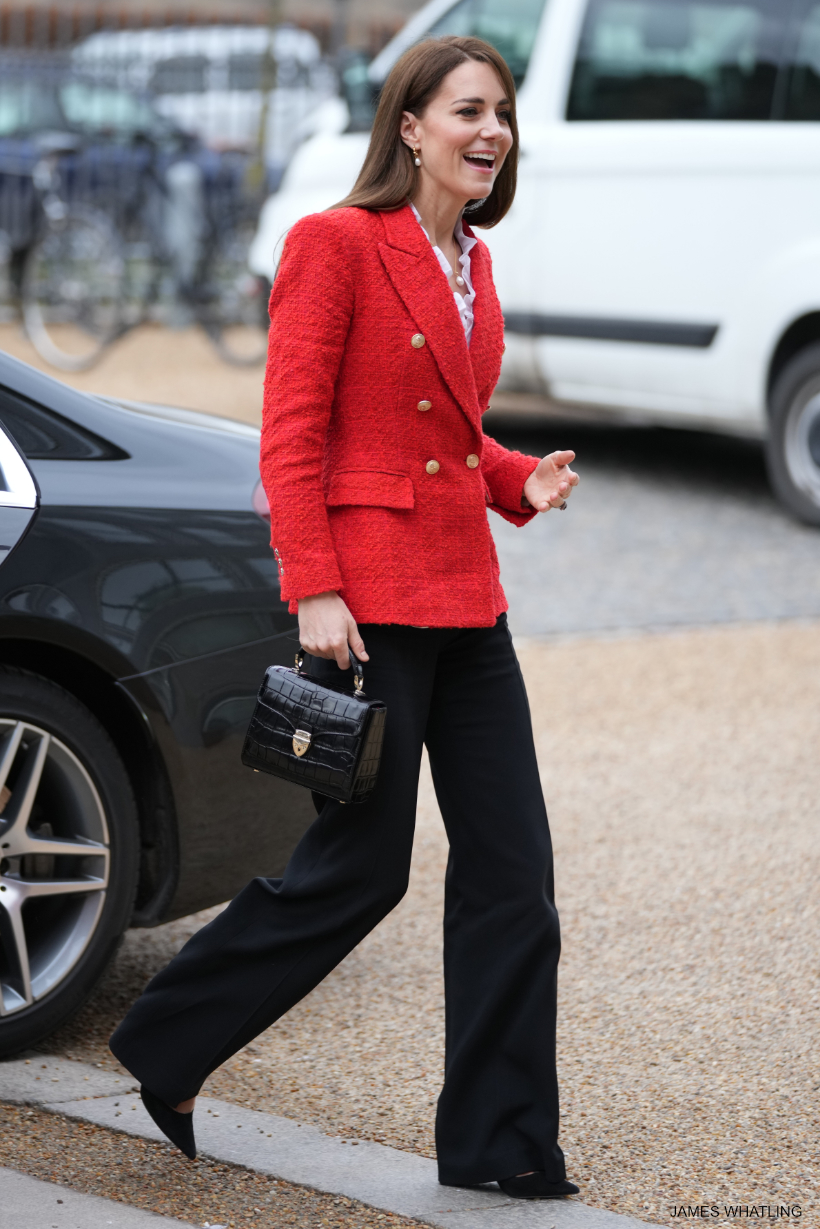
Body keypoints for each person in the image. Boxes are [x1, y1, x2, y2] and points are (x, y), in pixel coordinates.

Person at [109, 34, 580, 1201]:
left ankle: (501, 1141)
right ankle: (167, 1040)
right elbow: (295, 430)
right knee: (358, 871)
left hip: (469, 599)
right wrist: (312, 581)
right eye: (468, 110)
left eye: (502, 113)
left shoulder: (473, 258)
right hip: (364, 607)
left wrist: (514, 476)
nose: (492, 131)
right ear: (409, 126)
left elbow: (442, 434)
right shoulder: (335, 243)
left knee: (513, 875)